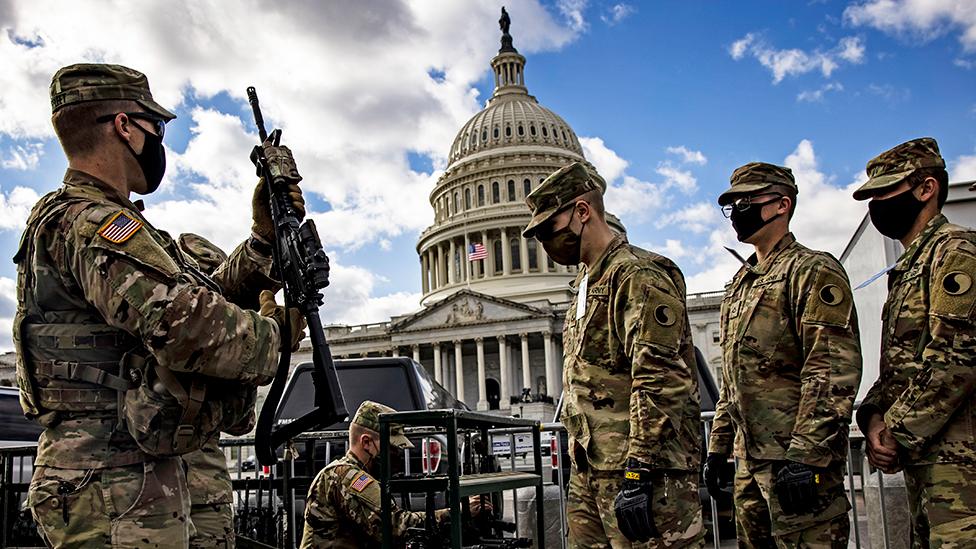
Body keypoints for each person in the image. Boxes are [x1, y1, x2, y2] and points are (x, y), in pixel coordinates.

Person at [14, 63, 306, 548]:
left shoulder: (109, 223)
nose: (160, 141)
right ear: (124, 126)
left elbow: (201, 295)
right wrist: (276, 334)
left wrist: (262, 241)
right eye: (158, 127)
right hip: (109, 477)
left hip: (125, 473)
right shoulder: (91, 222)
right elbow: (183, 325)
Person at [523, 162, 704, 548]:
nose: (545, 243)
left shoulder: (637, 275)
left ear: (582, 212)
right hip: (592, 471)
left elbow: (660, 378)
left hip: (643, 471)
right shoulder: (586, 286)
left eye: (548, 229)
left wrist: (638, 469)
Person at [704, 162, 863, 547]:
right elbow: (733, 382)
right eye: (733, 203)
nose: (738, 210)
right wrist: (717, 449)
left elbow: (831, 369)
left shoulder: (812, 270)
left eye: (748, 200)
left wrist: (806, 456)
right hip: (750, 464)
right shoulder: (739, 286)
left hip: (798, 462)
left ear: (781, 205)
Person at [852, 137, 976, 547]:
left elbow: (956, 360)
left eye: (886, 192)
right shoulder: (908, 267)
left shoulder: (955, 251)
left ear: (926, 189)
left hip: (962, 470)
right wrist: (871, 419)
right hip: (927, 466)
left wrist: (895, 431)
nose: (877, 205)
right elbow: (898, 370)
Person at [176, 233, 272, 549]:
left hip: (198, 487)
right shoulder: (180, 334)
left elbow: (242, 422)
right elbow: (241, 423)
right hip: (189, 485)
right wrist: (264, 340)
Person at [300, 400, 490, 547]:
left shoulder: (347, 472)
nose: (396, 455)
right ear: (366, 442)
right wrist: (457, 513)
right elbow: (397, 526)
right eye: (390, 447)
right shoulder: (347, 477)